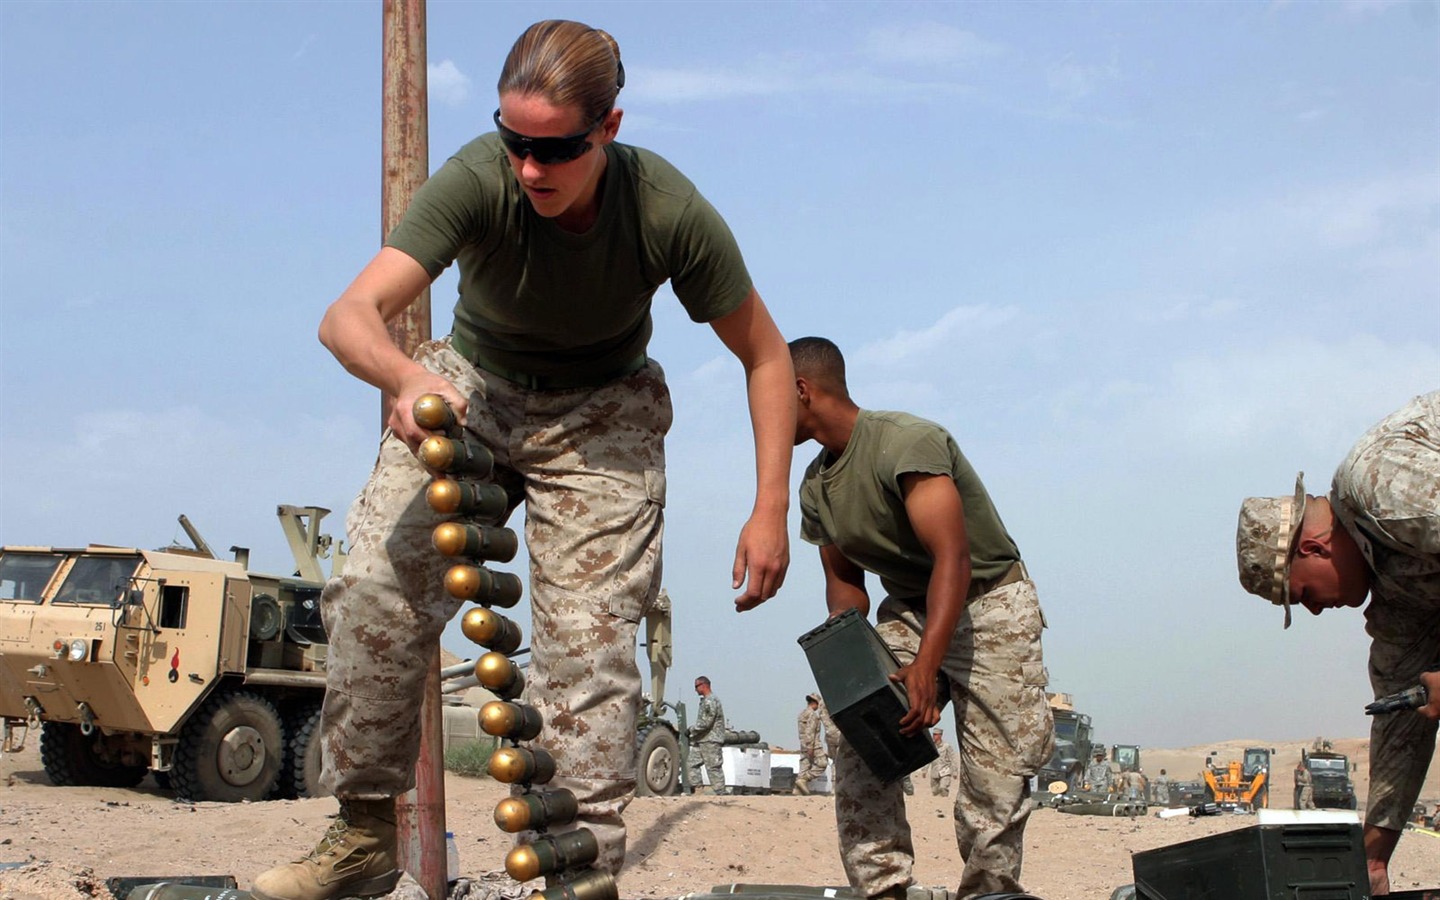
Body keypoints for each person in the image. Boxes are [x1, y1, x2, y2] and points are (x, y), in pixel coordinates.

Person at [251, 20, 794, 900]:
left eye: (556, 150)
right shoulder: (478, 178)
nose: (531, 170)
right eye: (517, 145)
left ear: (608, 130)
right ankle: (361, 835)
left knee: (588, 657)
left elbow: (766, 354)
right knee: (372, 598)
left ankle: (574, 877)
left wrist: (769, 505)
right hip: (474, 387)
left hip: (602, 415)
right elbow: (347, 315)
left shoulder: (665, 208)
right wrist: (398, 375)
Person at [781, 337, 1055, 900]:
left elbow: (953, 557)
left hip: (988, 602)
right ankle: (883, 888)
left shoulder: (906, 443)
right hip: (909, 606)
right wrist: (851, 663)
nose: (760, 413)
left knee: (995, 777)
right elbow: (845, 584)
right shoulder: (815, 486)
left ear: (802, 391)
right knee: (854, 727)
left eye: (768, 395)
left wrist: (926, 668)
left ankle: (989, 891)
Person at [1236, 390, 1438, 896]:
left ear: (1311, 548)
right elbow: (1401, 727)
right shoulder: (1396, 600)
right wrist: (1372, 860)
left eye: (1302, 594)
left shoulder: (1381, 491)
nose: (1315, 609)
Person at [686, 676, 728, 795]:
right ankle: (698, 790)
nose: (695, 690)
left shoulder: (710, 701)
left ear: (704, 685)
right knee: (691, 764)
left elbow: (706, 723)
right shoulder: (705, 701)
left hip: (711, 740)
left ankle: (721, 794)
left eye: (696, 686)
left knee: (713, 767)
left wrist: (691, 730)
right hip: (701, 740)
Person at [796, 693, 828, 795]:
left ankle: (797, 791)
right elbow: (810, 731)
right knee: (822, 763)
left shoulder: (802, 714)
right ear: (815, 703)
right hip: (813, 745)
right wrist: (810, 747)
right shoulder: (812, 715)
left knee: (804, 765)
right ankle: (804, 779)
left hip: (803, 744)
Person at [928, 729, 957, 797]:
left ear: (940, 735)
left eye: (935, 734)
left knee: (943, 788)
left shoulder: (946, 746)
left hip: (945, 771)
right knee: (935, 792)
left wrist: (955, 771)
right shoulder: (932, 746)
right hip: (934, 772)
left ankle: (945, 801)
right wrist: (924, 770)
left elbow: (953, 759)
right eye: (933, 734)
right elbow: (928, 759)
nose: (933, 736)